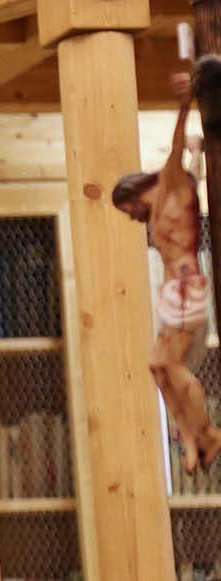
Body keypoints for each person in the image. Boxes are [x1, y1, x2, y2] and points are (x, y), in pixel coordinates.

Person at [113, 68, 221, 472]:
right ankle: (190, 436)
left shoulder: (173, 183)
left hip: (185, 287)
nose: (129, 217)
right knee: (157, 366)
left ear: (132, 192)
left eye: (125, 208)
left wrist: (183, 101)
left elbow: (178, 144)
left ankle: (208, 431)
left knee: (172, 365)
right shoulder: (158, 209)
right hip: (172, 291)